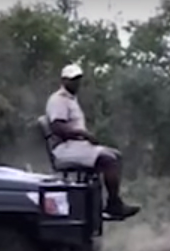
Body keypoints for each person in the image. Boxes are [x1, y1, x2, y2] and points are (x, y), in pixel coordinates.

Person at [45, 63, 141, 220]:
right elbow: (57, 128)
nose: (76, 83)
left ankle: (107, 202)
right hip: (64, 149)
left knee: (115, 155)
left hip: (75, 146)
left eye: (77, 79)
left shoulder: (71, 100)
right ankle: (113, 205)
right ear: (63, 81)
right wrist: (83, 134)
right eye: (72, 79)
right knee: (108, 160)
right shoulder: (58, 100)